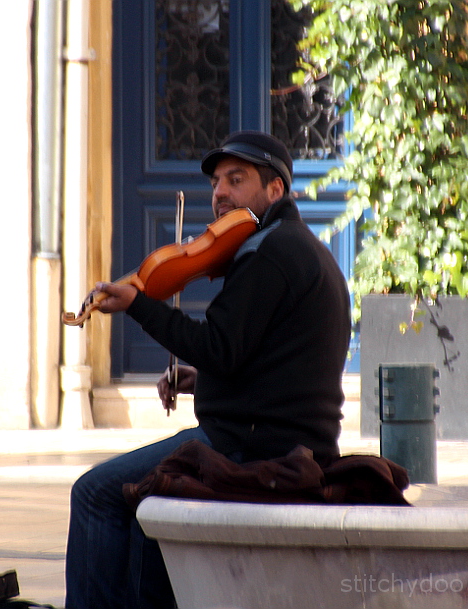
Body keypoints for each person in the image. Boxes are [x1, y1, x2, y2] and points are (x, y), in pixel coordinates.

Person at [64, 131, 352, 609]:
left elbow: (218, 347)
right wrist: (208, 381)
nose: (219, 193)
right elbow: (275, 364)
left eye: (235, 180)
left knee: (94, 493)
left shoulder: (270, 253)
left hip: (251, 446)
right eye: (217, 182)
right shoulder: (302, 248)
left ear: (274, 190)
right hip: (286, 438)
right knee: (140, 507)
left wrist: (140, 304)